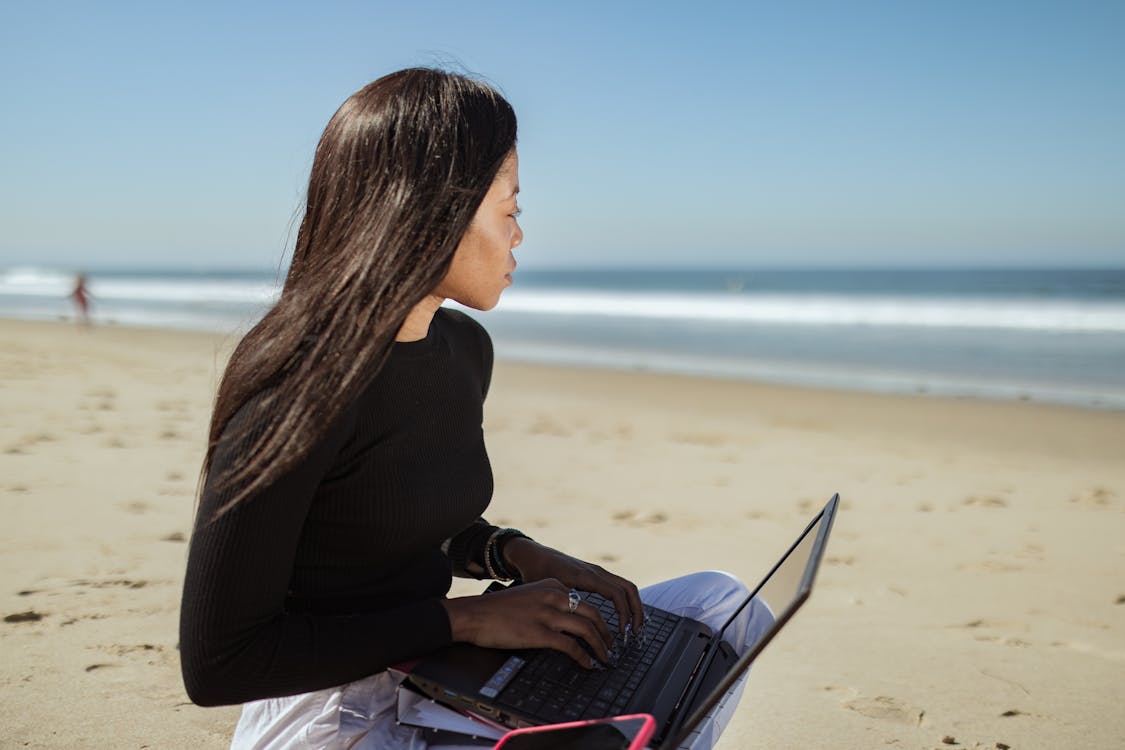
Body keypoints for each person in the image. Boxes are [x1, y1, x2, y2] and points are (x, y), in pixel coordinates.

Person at [179, 68, 757, 750]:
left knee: (721, 610)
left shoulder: (462, 350)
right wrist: (460, 622)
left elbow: (397, 518)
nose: (519, 235)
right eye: (509, 208)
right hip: (333, 709)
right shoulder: (298, 386)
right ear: (433, 211)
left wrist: (516, 554)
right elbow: (218, 663)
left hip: (441, 668)